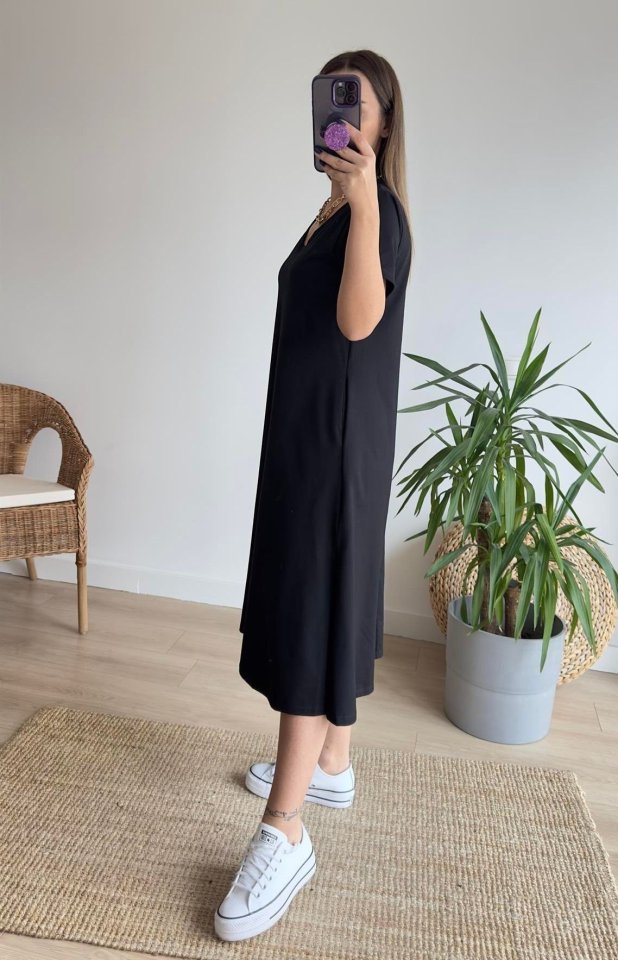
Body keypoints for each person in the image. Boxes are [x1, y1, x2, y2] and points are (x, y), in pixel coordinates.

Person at [215, 49, 413, 942]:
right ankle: (331, 761)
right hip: (311, 440)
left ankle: (285, 832)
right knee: (318, 598)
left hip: (333, 450)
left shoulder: (379, 213)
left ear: (383, 123)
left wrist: (363, 199)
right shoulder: (332, 210)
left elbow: (358, 321)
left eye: (352, 101)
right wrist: (347, 200)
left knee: (307, 614)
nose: (336, 115)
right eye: (327, 99)